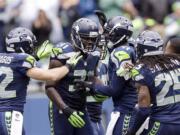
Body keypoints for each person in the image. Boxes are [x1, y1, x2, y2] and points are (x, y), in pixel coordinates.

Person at [0, 27, 82, 135]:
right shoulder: (22, 61)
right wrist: (68, 66)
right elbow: (52, 76)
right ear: (23, 46)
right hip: (10, 114)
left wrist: (35, 57)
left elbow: (15, 69)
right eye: (30, 45)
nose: (32, 47)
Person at [76, 16, 137, 135]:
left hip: (126, 110)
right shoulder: (130, 47)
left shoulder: (120, 53)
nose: (106, 35)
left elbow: (114, 90)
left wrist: (90, 86)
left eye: (109, 32)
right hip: (135, 108)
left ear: (118, 34)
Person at [45, 18, 101, 135]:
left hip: (81, 108)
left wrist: (98, 88)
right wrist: (66, 109)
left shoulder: (94, 55)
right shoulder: (63, 53)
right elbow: (49, 87)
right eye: (86, 38)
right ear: (76, 36)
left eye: (93, 39)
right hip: (61, 108)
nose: (90, 42)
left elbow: (93, 78)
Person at [126, 30, 180, 135]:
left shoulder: (141, 70)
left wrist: (131, 132)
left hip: (162, 124)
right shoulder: (177, 60)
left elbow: (143, 109)